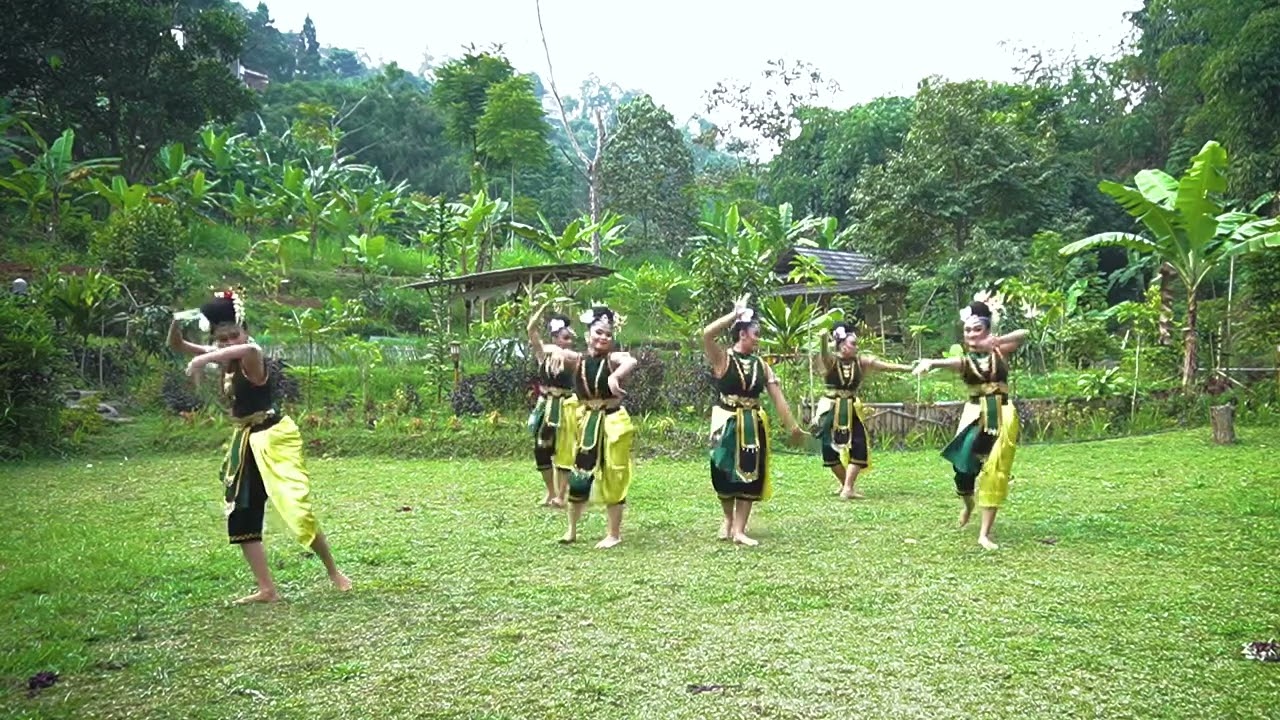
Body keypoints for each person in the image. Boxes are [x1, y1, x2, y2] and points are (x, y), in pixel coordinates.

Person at [169, 289, 351, 602]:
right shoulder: (225, 357)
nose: (229, 343)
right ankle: (267, 589)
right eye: (222, 339)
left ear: (245, 332)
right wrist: (175, 321)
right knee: (241, 513)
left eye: (234, 336)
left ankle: (334, 571)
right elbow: (177, 345)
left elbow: (247, 349)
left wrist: (203, 358)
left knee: (296, 508)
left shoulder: (252, 356)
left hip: (273, 437)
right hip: (244, 442)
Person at [913, 298, 1028, 550]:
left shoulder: (1000, 351)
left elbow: (1023, 333)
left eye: (977, 329)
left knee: (995, 468)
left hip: (1001, 412)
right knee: (963, 468)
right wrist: (931, 363)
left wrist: (996, 341)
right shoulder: (965, 361)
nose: (972, 334)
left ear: (987, 330)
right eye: (968, 330)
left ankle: (984, 534)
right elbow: (951, 363)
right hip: (975, 413)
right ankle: (968, 505)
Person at [701, 295, 806, 546]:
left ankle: (739, 530)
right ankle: (728, 519)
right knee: (722, 472)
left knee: (750, 473)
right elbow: (706, 334)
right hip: (726, 422)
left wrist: (793, 426)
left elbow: (777, 397)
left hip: (752, 425)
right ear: (742, 334)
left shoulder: (762, 365)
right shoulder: (723, 358)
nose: (758, 339)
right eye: (756, 334)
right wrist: (734, 314)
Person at [547, 305, 638, 549]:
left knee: (614, 473)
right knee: (579, 474)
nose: (603, 338)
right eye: (599, 332)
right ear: (588, 334)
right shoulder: (578, 359)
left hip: (612, 420)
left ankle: (613, 534)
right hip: (588, 421)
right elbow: (546, 349)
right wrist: (553, 349)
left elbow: (631, 360)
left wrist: (615, 376)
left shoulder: (613, 359)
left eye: (608, 334)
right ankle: (571, 529)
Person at [812, 321, 914, 500]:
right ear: (842, 346)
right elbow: (824, 353)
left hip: (851, 408)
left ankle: (848, 487)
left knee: (859, 445)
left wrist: (908, 368)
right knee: (829, 450)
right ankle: (845, 485)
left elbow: (884, 366)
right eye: (853, 343)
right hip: (831, 407)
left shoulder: (861, 361)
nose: (856, 347)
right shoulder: (831, 361)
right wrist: (822, 340)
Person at [526, 301, 579, 508]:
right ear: (555, 338)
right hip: (547, 405)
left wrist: (559, 351)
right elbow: (531, 330)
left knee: (565, 450)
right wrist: (541, 308)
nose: (569, 342)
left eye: (570, 338)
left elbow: (575, 356)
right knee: (541, 449)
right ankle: (551, 492)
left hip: (566, 406)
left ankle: (561, 495)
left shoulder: (572, 357)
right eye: (565, 338)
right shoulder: (543, 354)